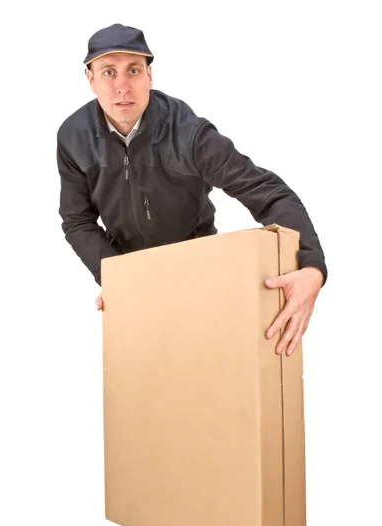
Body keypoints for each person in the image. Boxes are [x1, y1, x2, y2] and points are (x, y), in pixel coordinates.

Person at [56, 23, 327, 357]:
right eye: (109, 72)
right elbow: (77, 220)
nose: (122, 86)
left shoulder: (189, 134)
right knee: (147, 379)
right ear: (90, 79)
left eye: (134, 71)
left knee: (206, 364)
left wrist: (312, 267)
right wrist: (115, 277)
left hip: (197, 264)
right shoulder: (72, 138)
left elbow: (267, 191)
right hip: (131, 273)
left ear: (149, 77)